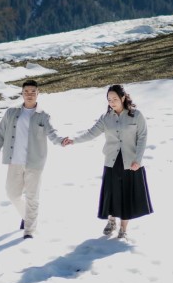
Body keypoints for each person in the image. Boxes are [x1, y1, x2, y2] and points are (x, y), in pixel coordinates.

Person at [62, 84, 152, 240]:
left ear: (123, 98)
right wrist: (74, 140)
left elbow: (142, 137)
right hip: (112, 162)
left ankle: (123, 228)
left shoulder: (136, 115)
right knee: (111, 193)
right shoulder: (105, 118)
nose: (112, 102)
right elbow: (91, 133)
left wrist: (138, 160)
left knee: (126, 195)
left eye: (115, 99)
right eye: (109, 100)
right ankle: (111, 221)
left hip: (131, 163)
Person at [0, 79, 64, 239]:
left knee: (32, 197)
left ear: (38, 93)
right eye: (26, 92)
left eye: (33, 92)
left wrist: (61, 141)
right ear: (22, 94)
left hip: (34, 163)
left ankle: (29, 230)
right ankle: (27, 217)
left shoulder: (43, 116)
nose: (29, 95)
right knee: (12, 194)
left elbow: (52, 133)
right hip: (14, 161)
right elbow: (0, 134)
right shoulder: (11, 113)